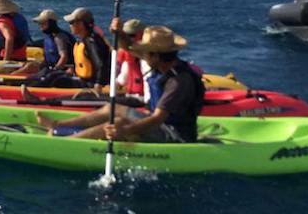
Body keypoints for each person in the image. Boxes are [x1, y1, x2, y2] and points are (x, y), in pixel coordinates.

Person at [37, 26, 205, 143]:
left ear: (156, 56)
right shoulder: (161, 62)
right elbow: (129, 47)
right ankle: (57, 125)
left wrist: (126, 130)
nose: (142, 56)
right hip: (160, 125)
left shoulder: (178, 81)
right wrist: (118, 32)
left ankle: (69, 143)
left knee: (118, 123)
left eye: (146, 53)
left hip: (175, 135)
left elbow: (156, 119)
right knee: (113, 108)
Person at [63, 7, 111, 91]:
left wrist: (98, 83)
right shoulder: (82, 40)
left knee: (57, 81)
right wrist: (73, 69)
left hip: (91, 84)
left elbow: (101, 64)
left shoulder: (92, 42)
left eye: (71, 22)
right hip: (83, 80)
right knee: (55, 77)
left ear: (81, 24)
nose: (70, 26)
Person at [114, 19, 146, 97]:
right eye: (125, 36)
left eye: (131, 36)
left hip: (143, 98)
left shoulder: (148, 56)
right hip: (130, 94)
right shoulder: (127, 55)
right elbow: (123, 77)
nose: (127, 39)